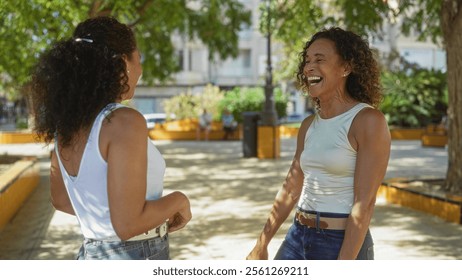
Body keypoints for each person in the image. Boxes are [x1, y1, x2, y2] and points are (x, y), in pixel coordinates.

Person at [30, 16, 191, 260]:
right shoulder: (124, 122)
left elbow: (61, 200)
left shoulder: (67, 126)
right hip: (134, 256)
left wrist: (106, 221)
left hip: (92, 253)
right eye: (139, 58)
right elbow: (127, 225)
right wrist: (179, 201)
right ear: (123, 62)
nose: (141, 69)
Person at [247, 27, 391, 260]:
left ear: (346, 68)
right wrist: (261, 243)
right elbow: (291, 189)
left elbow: (364, 204)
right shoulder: (308, 125)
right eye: (307, 60)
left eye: (319, 59)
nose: (308, 67)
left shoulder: (368, 121)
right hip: (298, 234)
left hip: (340, 241)